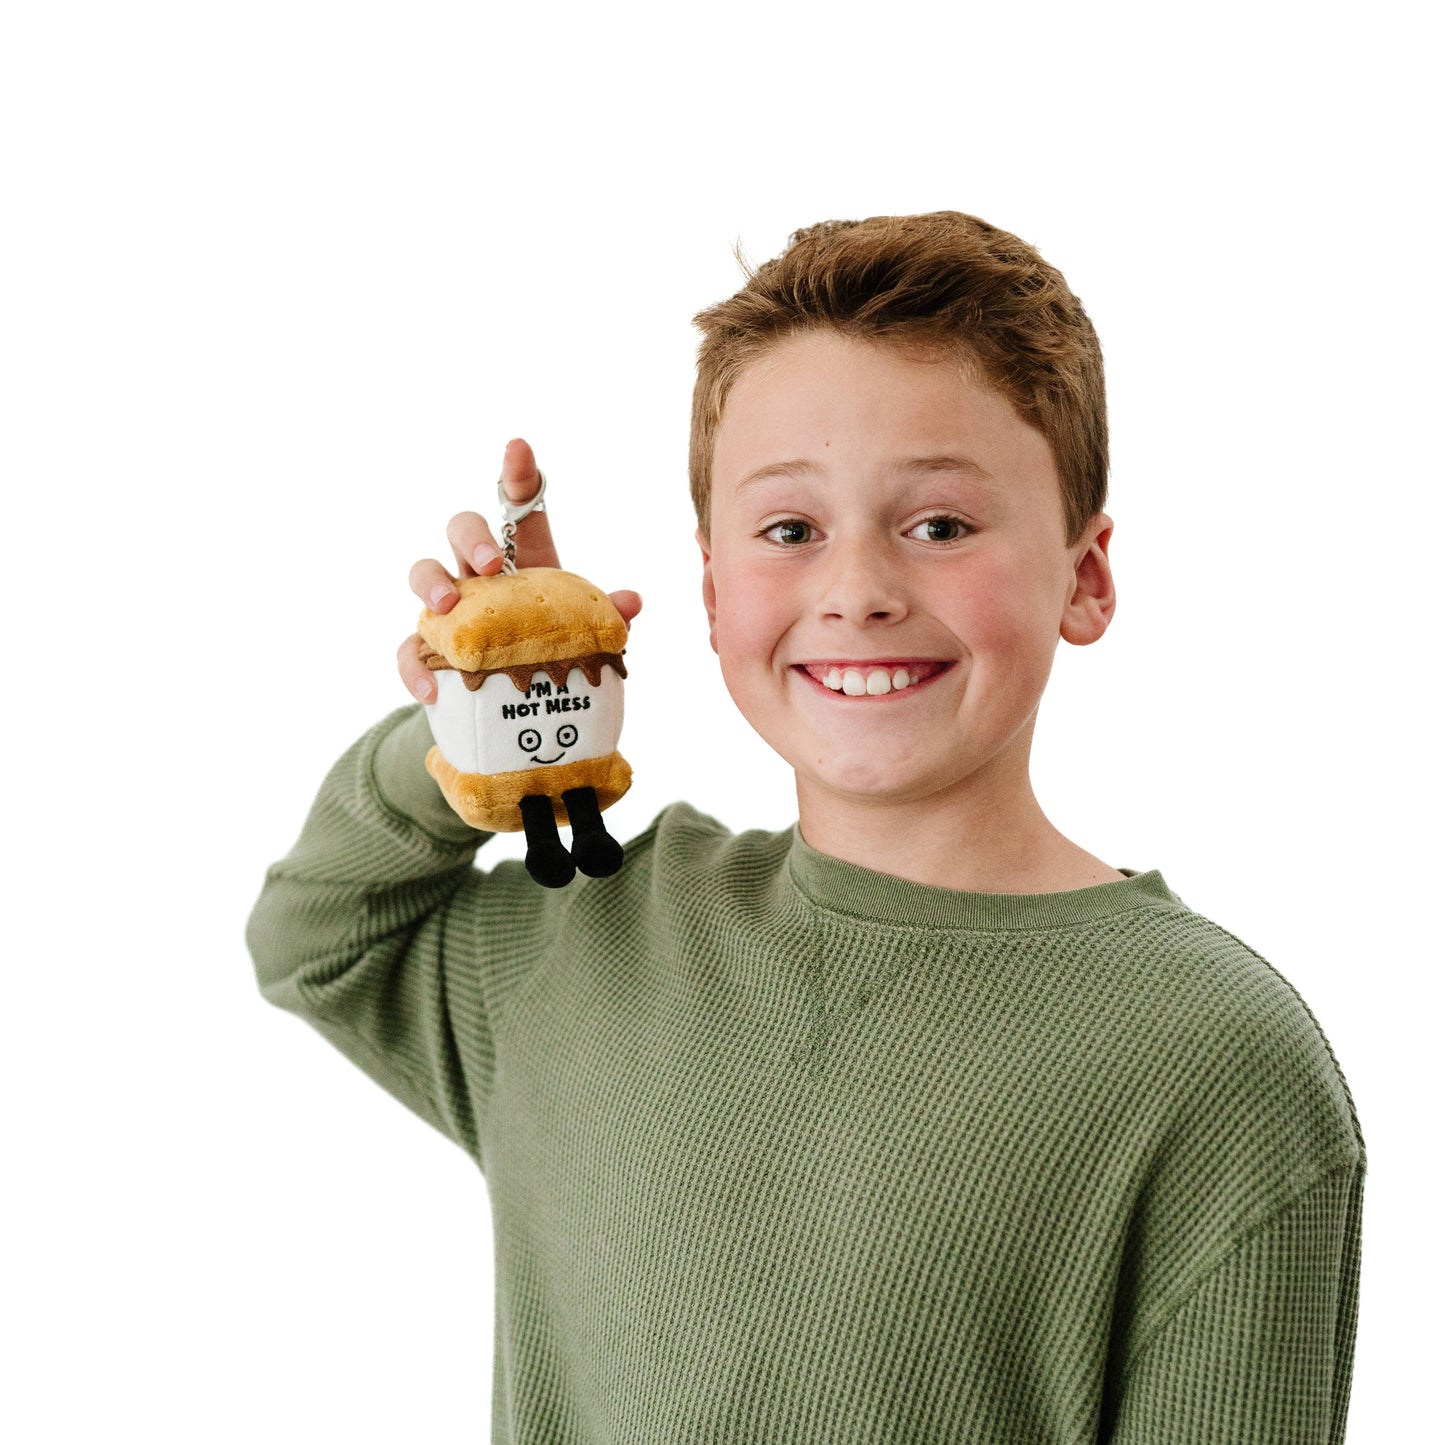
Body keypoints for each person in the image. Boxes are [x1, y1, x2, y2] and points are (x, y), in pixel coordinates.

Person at [246, 212, 1366, 1443]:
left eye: (939, 525)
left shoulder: (1214, 1056)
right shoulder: (592, 939)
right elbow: (318, 936)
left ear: (1084, 577)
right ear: (711, 589)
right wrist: (491, 724)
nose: (857, 590)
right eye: (789, 531)